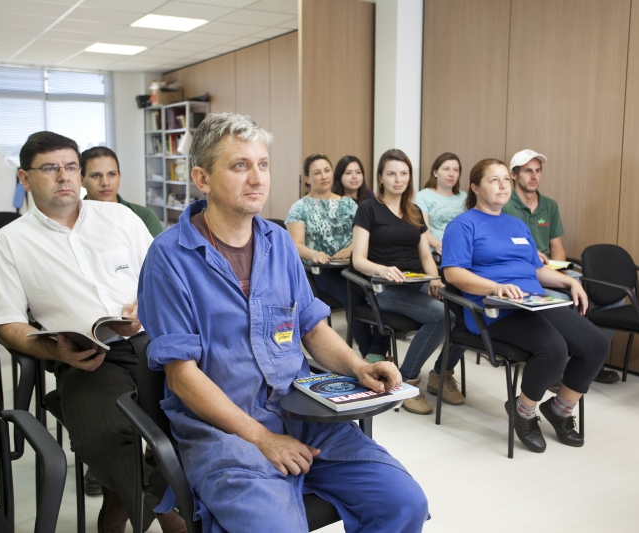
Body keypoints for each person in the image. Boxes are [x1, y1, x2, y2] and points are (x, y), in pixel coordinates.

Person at [137, 113, 428, 533]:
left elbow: (313, 328)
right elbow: (181, 377)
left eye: (263, 164)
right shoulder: (169, 258)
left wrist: (358, 366)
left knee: (404, 503)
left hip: (302, 413)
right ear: (202, 178)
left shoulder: (279, 244)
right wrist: (262, 438)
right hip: (226, 433)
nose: (257, 178)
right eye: (240, 165)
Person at [0, 132, 184, 533]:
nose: (64, 177)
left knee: (195, 415)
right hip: (86, 357)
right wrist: (56, 353)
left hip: (152, 342)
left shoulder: (120, 218)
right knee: (107, 435)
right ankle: (172, 517)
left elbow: (162, 279)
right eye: (50, 168)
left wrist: (142, 307)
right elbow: (6, 323)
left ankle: (120, 504)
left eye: (71, 167)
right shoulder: (9, 242)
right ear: (24, 178)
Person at [441, 158, 609, 453]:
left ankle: (559, 409)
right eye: (494, 180)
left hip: (534, 302)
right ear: (475, 187)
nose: (503, 185)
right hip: (493, 309)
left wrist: (569, 282)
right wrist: (494, 287)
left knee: (595, 343)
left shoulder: (517, 225)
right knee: (554, 349)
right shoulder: (463, 225)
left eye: (506, 179)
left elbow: (536, 270)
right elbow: (453, 274)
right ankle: (523, 411)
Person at [351, 148, 465, 415]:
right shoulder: (368, 209)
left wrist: (435, 279)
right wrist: (383, 269)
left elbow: (425, 255)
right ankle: (407, 380)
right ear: (381, 177)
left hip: (417, 282)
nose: (398, 179)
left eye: (403, 173)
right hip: (385, 287)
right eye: (391, 174)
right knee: (441, 316)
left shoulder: (414, 211)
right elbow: (358, 260)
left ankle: (441, 373)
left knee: (465, 311)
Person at [502, 149, 620, 384]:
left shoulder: (549, 205)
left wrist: (562, 274)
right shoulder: (504, 204)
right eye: (528, 171)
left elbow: (557, 247)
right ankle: (556, 366)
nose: (534, 176)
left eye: (538, 171)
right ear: (514, 175)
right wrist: (532, 257)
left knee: (612, 295)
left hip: (549, 269)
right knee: (561, 299)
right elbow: (501, 250)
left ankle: (588, 361)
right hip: (524, 271)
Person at [286, 154, 388, 358]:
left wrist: (349, 250)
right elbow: (295, 245)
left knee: (384, 294)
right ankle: (371, 354)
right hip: (321, 271)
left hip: (353, 265)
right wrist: (315, 254)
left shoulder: (348, 204)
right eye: (317, 172)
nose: (324, 176)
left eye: (327, 171)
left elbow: (364, 235)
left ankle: (376, 351)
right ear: (307, 178)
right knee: (353, 296)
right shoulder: (299, 208)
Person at [81, 146, 163, 237]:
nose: (105, 183)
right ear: (81, 180)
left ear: (119, 176)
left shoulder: (144, 216)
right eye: (96, 175)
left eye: (111, 174)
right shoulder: (73, 219)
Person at [414, 152, 466, 255]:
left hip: (460, 250)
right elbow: (423, 230)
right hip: (435, 252)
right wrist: (437, 244)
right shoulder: (422, 196)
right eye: (446, 169)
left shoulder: (464, 197)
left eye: (456, 170)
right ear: (435, 172)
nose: (451, 174)